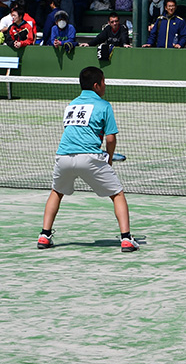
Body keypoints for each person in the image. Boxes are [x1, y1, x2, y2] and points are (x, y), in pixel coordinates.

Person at [38, 66, 139, 253]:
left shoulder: (72, 105)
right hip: (90, 158)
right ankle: (126, 239)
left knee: (56, 192)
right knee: (117, 194)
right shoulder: (104, 105)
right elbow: (110, 138)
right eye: (103, 82)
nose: (105, 85)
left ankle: (44, 235)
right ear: (96, 85)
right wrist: (108, 158)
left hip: (64, 157)